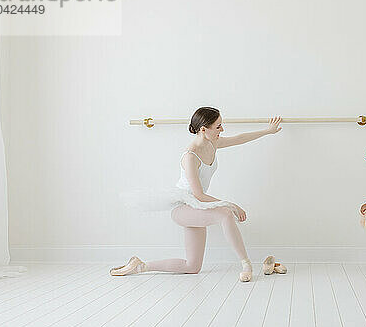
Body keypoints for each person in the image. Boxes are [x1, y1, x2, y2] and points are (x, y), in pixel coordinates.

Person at [112, 107, 282, 282]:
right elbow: (199, 194)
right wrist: (230, 204)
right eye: (218, 127)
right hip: (183, 208)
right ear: (203, 129)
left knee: (192, 266)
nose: (222, 130)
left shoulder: (212, 143)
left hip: (197, 207)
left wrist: (267, 131)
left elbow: (239, 139)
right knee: (225, 214)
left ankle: (140, 266)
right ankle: (246, 265)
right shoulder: (190, 156)